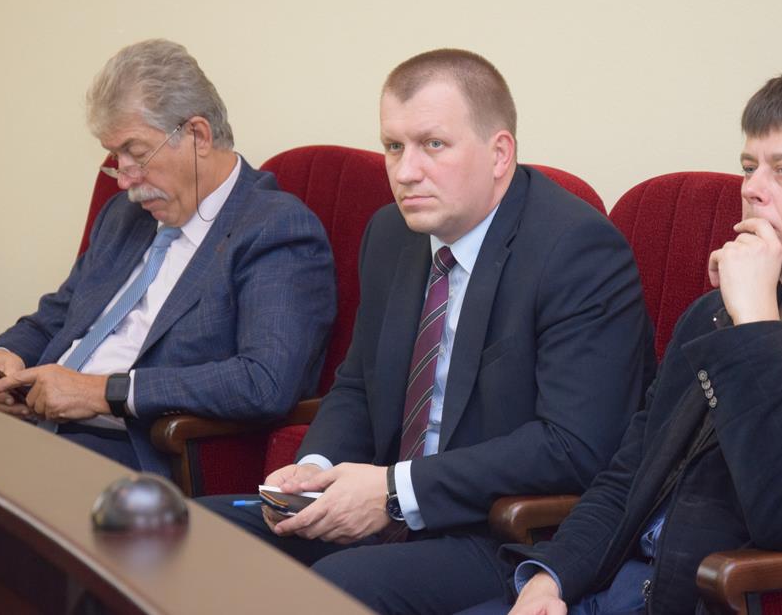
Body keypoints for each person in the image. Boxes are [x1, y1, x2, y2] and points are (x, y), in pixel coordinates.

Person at [465, 67, 782, 615]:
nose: (751, 188)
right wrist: (550, 577)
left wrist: (754, 327)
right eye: (749, 167)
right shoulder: (715, 309)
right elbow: (630, 471)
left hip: (707, 599)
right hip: (607, 586)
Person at [199, 48, 655, 613]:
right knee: (190, 533)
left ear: (499, 153)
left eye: (433, 144)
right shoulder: (391, 233)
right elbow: (358, 384)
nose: (405, 171)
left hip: (501, 532)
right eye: (393, 146)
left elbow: (573, 447)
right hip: (385, 505)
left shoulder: (577, 250)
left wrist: (396, 491)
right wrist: (315, 472)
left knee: (329, 588)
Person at [0, 39, 336, 477]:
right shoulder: (125, 216)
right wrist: (3, 357)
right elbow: (60, 314)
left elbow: (264, 381)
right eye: (116, 158)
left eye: (137, 154)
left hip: (132, 453)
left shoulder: (273, 227)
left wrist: (103, 392)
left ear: (197, 135)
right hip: (36, 429)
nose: (124, 180)